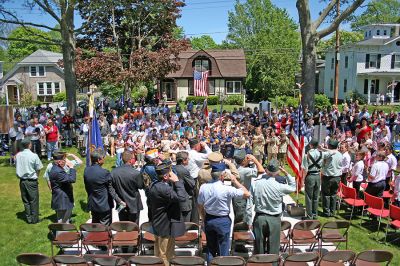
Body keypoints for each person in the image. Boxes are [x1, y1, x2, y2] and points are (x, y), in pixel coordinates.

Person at [198, 163, 250, 263]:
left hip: (209, 219)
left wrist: (204, 218)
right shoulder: (227, 188)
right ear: (222, 175)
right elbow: (247, 194)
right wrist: (235, 181)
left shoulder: (204, 187)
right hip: (222, 220)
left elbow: (200, 205)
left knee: (211, 249)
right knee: (224, 250)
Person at [245, 159, 296, 257]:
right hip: (274, 219)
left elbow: (249, 205)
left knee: (259, 248)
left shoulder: (255, 183)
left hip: (260, 218)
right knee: (273, 249)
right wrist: (286, 173)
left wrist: (249, 221)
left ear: (266, 170)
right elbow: (293, 187)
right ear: (278, 172)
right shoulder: (280, 186)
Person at [148, 162, 187, 266]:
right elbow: (182, 198)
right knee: (164, 254)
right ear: (165, 176)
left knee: (162, 252)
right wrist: (177, 181)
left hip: (159, 223)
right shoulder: (164, 188)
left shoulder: (154, 184)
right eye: (170, 173)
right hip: (165, 225)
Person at [84, 149, 125, 225]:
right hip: (104, 205)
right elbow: (111, 189)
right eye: (103, 158)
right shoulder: (104, 173)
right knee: (105, 228)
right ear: (99, 160)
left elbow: (87, 187)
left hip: (93, 203)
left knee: (95, 226)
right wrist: (119, 201)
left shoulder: (86, 170)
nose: (104, 159)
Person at [111, 151, 144, 224]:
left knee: (123, 227)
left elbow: (111, 188)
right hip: (134, 204)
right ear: (131, 160)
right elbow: (141, 186)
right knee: (134, 228)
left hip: (121, 203)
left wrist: (118, 200)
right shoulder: (136, 173)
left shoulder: (114, 172)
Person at [15, 138, 43, 224]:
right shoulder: (34, 155)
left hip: (22, 181)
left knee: (26, 201)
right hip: (31, 181)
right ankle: (34, 219)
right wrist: (36, 176)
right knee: (33, 200)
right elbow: (39, 168)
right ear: (29, 145)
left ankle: (29, 218)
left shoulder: (18, 155)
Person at [49, 152, 77, 223]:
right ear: (59, 161)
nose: (66, 161)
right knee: (63, 223)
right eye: (64, 160)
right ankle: (62, 234)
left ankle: (61, 233)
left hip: (61, 199)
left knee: (62, 221)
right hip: (63, 200)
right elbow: (72, 179)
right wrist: (71, 168)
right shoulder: (58, 172)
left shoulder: (56, 168)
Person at [320, 139, 343, 217]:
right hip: (337, 177)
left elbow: (323, 163)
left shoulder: (328, 154)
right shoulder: (340, 154)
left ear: (330, 146)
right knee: (333, 194)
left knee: (326, 194)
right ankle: (332, 212)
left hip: (328, 177)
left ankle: (327, 212)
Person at [302, 139, 323, 220]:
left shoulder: (306, 155)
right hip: (318, 175)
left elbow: (305, 169)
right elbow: (332, 152)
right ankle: (315, 214)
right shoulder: (321, 153)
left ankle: (309, 215)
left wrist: (303, 179)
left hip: (310, 176)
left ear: (310, 145)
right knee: (316, 196)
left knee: (308, 197)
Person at [174, 151, 196, 222]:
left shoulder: (173, 168)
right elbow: (192, 184)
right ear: (183, 161)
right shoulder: (183, 171)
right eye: (187, 159)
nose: (188, 160)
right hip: (184, 200)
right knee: (185, 224)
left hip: (175, 198)